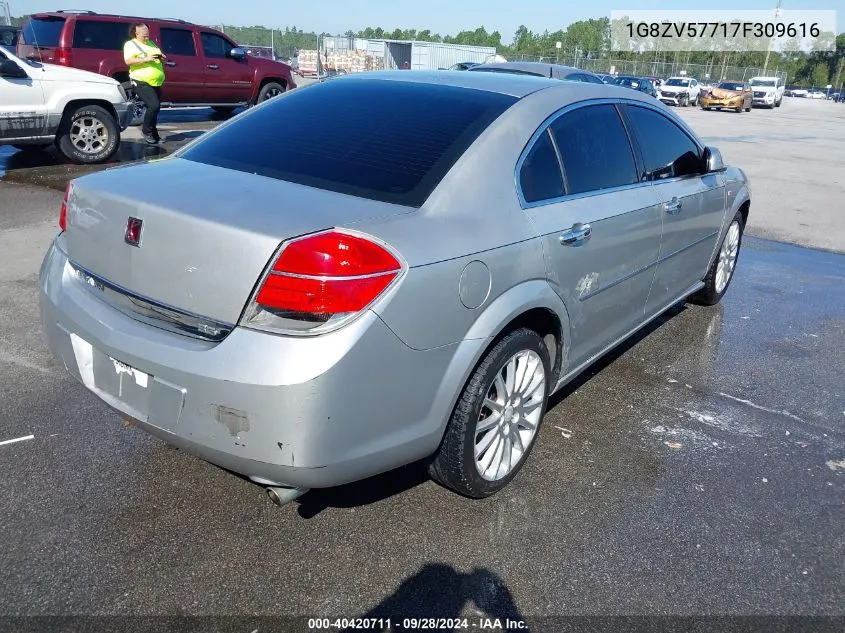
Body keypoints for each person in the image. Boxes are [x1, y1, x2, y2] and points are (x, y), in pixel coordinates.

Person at [124, 24, 166, 144]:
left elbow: (154, 55)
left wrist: (160, 57)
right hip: (140, 80)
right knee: (154, 105)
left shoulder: (151, 43)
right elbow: (128, 61)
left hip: (155, 81)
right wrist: (145, 59)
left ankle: (154, 134)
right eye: (143, 31)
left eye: (147, 30)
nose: (146, 32)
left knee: (155, 109)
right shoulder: (130, 44)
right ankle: (146, 131)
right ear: (136, 33)